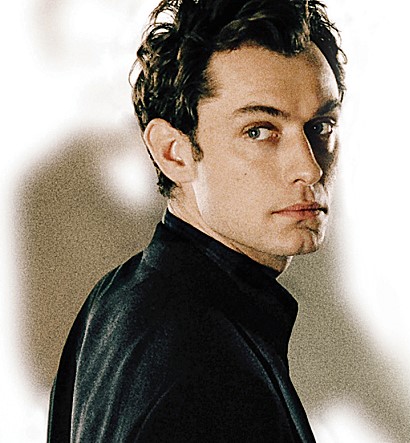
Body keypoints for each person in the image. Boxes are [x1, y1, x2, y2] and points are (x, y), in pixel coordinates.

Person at [47, 0, 345, 441]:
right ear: (173, 152)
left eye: (320, 126)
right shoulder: (210, 372)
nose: (309, 168)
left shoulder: (117, 298)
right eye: (259, 130)